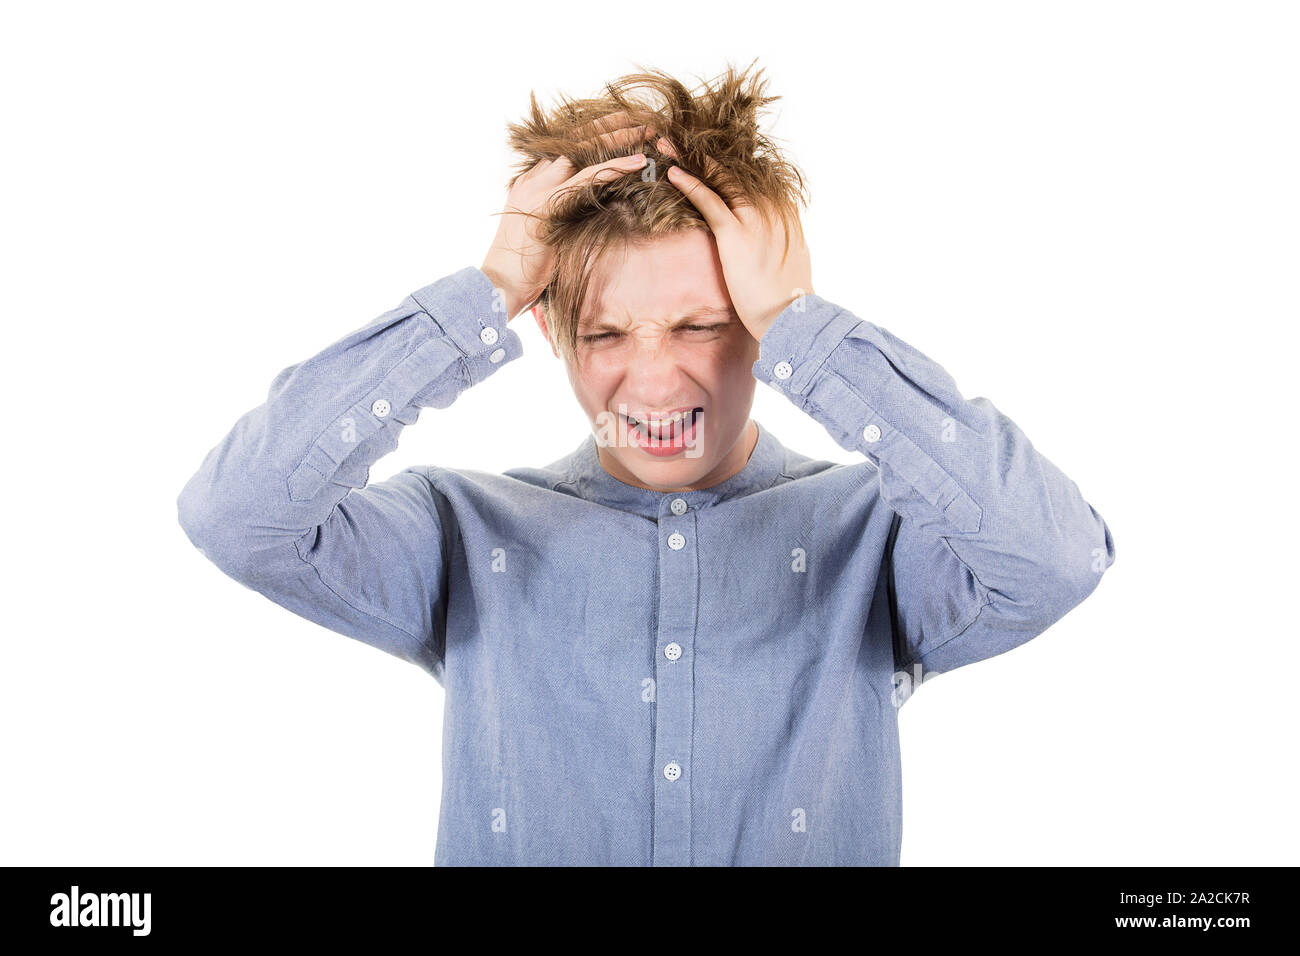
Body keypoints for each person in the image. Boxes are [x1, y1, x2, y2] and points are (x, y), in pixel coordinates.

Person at [176, 61, 1116, 866]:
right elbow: (238, 512)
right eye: (607, 332)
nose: (654, 382)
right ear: (550, 330)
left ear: (757, 328)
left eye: (704, 325)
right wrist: (491, 288)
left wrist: (807, 328)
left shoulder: (876, 533)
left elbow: (1055, 558)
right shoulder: (460, 528)